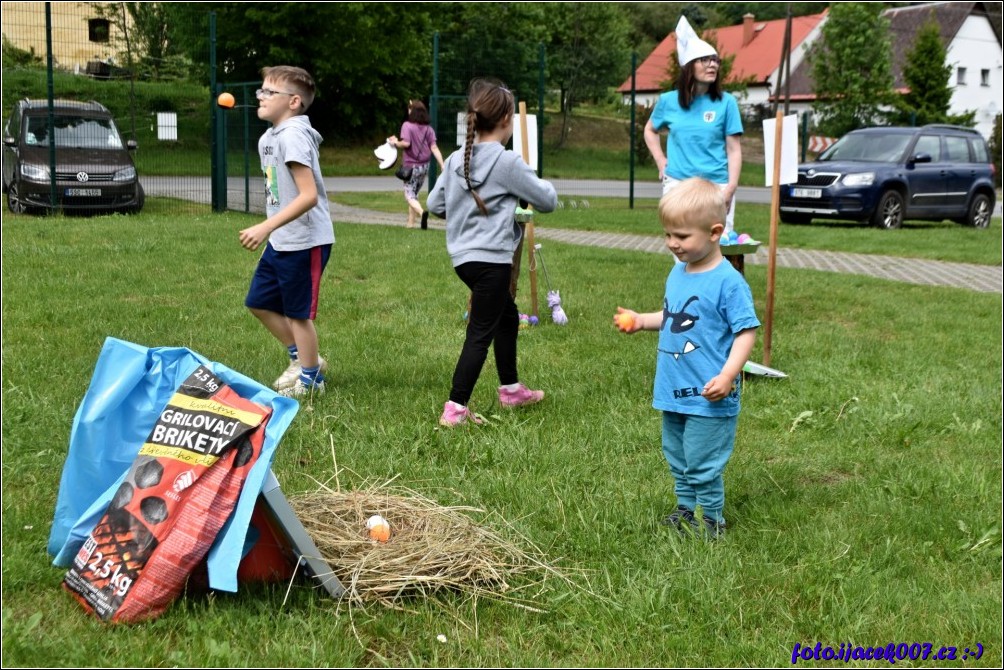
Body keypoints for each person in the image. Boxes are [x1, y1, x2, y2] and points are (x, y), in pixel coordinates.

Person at [614, 178, 759, 539]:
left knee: (702, 461)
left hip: (710, 393)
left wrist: (728, 376)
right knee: (677, 456)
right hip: (674, 388)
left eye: (681, 236)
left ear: (714, 232)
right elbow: (673, 316)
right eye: (667, 235)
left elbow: (746, 332)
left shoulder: (729, 282)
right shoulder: (678, 272)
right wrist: (642, 321)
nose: (672, 244)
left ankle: (711, 521)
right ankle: (685, 511)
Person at [427, 77, 558, 427]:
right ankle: (455, 409)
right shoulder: (507, 162)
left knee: (507, 316)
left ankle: (511, 389)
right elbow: (547, 200)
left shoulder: (457, 158)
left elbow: (433, 202)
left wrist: (463, 211)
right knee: (480, 332)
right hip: (493, 261)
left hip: (464, 261)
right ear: (505, 121)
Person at [238, 65, 334, 398]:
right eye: (260, 91)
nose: (260, 97)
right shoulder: (270, 137)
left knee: (297, 313)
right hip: (282, 240)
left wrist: (265, 225)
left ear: (293, 102)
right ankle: (303, 359)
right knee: (259, 302)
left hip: (305, 241)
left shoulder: (293, 136)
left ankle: (311, 381)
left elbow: (308, 196)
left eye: (269, 92)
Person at [643, 15, 743, 235]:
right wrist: (661, 161)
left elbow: (734, 149)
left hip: (717, 186)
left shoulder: (727, 103)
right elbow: (650, 130)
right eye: (705, 60)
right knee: (682, 247)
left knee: (718, 248)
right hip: (678, 185)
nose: (712, 65)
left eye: (715, 60)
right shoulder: (668, 101)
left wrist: (731, 188)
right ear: (689, 66)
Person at [387, 100, 445, 229]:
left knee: (409, 195)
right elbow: (434, 148)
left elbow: (406, 143)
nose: (408, 110)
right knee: (414, 194)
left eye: (410, 108)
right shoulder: (428, 129)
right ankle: (411, 223)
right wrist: (442, 164)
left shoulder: (407, 126)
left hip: (411, 167)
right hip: (425, 167)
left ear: (412, 112)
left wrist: (395, 142)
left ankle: (421, 212)